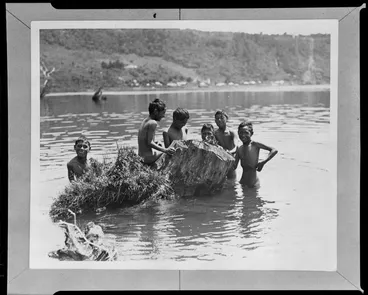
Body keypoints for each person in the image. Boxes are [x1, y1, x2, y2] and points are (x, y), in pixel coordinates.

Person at [234, 121, 278, 188]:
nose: (243, 135)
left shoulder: (255, 145)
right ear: (238, 133)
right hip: (243, 183)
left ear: (251, 134)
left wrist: (263, 162)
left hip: (253, 184)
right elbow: (234, 166)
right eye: (241, 133)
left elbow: (274, 150)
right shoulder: (239, 149)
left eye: (246, 133)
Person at [138, 98, 176, 165]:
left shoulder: (145, 120)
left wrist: (156, 143)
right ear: (156, 111)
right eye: (163, 113)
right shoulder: (153, 123)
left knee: (160, 143)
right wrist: (165, 150)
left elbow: (145, 141)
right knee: (170, 153)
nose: (164, 116)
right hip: (148, 158)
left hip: (141, 156)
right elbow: (149, 143)